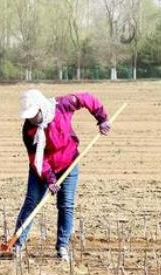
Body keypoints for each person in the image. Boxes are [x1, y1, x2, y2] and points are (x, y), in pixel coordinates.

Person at [11, 89, 110, 260]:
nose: (33, 119)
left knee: (66, 204)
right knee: (32, 202)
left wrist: (102, 119)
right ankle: (17, 244)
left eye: (35, 115)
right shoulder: (29, 130)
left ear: (42, 107)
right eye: (29, 116)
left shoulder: (62, 106)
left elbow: (87, 98)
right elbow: (37, 158)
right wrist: (49, 179)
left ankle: (62, 247)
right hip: (41, 168)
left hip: (69, 163)